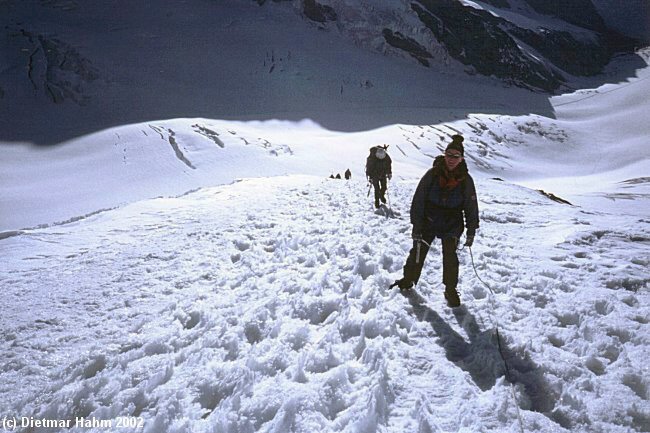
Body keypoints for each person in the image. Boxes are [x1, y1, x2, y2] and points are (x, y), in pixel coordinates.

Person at [391, 134, 479, 307]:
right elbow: (419, 199)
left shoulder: (466, 180)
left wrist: (471, 229)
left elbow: (471, 205)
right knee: (418, 251)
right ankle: (408, 280)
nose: (451, 159)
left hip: (452, 222)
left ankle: (450, 289)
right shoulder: (433, 174)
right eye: (449, 155)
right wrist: (417, 225)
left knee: (450, 257)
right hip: (429, 219)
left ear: (461, 158)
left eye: (456, 156)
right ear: (444, 155)